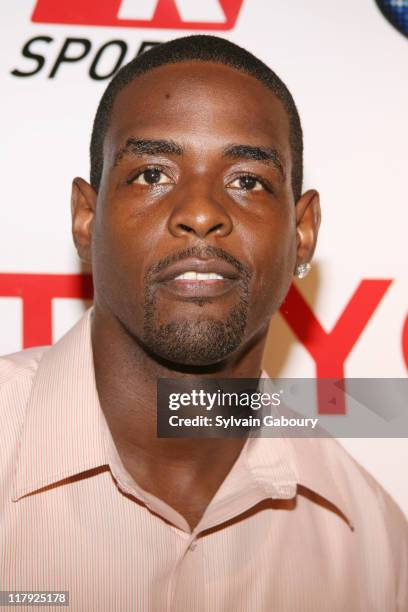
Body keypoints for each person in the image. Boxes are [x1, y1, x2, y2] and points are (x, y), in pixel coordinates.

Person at [1, 35, 407, 612]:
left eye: (247, 181)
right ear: (86, 220)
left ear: (303, 232)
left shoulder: (373, 550)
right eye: (151, 174)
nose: (200, 213)